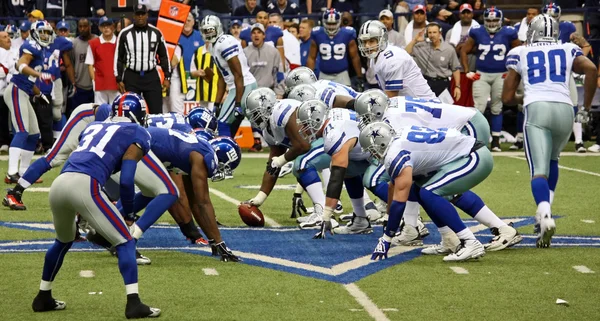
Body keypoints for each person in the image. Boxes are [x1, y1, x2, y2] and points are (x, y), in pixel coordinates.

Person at [31, 94, 161, 319]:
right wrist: (129, 214)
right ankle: (134, 304)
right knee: (125, 241)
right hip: (85, 185)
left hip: (60, 184)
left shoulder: (94, 127)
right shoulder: (138, 133)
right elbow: (128, 180)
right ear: (137, 114)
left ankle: (43, 296)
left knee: (62, 241)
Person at [353, 90, 522, 251]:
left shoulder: (392, 121)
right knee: (426, 183)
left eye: (366, 117)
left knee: (440, 187)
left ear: (376, 111)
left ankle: (495, 230)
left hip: (468, 126)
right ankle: (443, 235)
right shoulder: (393, 105)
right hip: (467, 123)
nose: (365, 122)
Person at [501, 14, 597, 248]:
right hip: (565, 109)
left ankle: (544, 215)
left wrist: (523, 97)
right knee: (553, 159)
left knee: (538, 171)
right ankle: (545, 209)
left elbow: (507, 97)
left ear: (531, 31)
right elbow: (592, 68)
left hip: (537, 108)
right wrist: (585, 107)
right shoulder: (567, 48)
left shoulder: (521, 52)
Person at [362, 122, 489, 262]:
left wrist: (386, 238)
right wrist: (388, 215)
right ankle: (449, 240)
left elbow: (399, 204)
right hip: (465, 152)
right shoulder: (398, 138)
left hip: (473, 156)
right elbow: (394, 187)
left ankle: (470, 241)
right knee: (419, 190)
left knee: (429, 193)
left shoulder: (394, 155)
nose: (372, 154)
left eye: (372, 150)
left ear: (381, 144)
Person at [143, 127, 241, 261]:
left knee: (155, 192)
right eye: (225, 166)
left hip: (146, 145)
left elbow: (194, 202)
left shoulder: (196, 153)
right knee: (168, 193)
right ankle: (129, 237)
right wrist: (220, 243)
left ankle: (123, 233)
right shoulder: (202, 156)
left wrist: (212, 239)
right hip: (141, 145)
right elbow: (203, 203)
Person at [3, 103, 110, 210]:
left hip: (100, 121)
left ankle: (105, 197)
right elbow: (103, 110)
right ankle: (15, 193)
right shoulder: (121, 109)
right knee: (53, 158)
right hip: (87, 117)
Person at [461, 7, 520, 152]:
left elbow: (519, 52)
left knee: (497, 108)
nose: (492, 23)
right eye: (489, 20)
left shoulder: (509, 32)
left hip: (501, 74)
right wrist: (467, 71)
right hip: (481, 74)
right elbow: (464, 50)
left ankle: (496, 141)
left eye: (495, 20)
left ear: (500, 21)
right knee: (478, 108)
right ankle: (477, 139)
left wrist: (512, 70)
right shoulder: (477, 31)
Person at [3, 20, 54, 184]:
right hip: (16, 90)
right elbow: (20, 65)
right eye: (42, 32)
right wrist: (40, 76)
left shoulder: (41, 50)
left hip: (25, 91)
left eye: (47, 32)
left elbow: (29, 81)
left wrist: (39, 95)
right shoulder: (31, 46)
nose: (45, 35)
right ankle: (12, 173)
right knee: (22, 131)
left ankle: (24, 172)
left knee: (33, 134)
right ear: (34, 33)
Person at [543, 3, 591, 153]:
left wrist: (577, 62)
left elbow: (586, 45)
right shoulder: (536, 29)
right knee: (547, 107)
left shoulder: (567, 28)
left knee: (573, 105)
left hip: (564, 73)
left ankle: (579, 141)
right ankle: (547, 140)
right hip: (545, 74)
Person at [200, 15, 257, 138]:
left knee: (222, 122)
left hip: (242, 86)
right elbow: (221, 77)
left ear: (218, 28)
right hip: (240, 85)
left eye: (211, 30)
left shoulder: (224, 42)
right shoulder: (213, 46)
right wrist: (216, 103)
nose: (209, 33)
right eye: (206, 30)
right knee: (258, 122)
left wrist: (237, 103)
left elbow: (238, 74)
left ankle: (224, 154)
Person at [114, 4, 171, 115]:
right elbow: (119, 58)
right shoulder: (125, 33)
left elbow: (164, 56)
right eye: (138, 14)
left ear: (147, 15)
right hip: (132, 76)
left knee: (156, 112)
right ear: (133, 16)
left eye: (142, 14)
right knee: (130, 111)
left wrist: (167, 76)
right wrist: (118, 78)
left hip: (151, 76)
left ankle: (155, 132)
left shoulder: (156, 33)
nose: (140, 17)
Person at [357, 20, 436, 99]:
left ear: (382, 39)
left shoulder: (391, 60)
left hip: (425, 105)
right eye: (364, 41)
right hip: (408, 103)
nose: (367, 46)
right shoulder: (376, 56)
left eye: (371, 41)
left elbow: (391, 98)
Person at [307, 9, 364, 88]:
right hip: (324, 75)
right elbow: (311, 57)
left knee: (346, 98)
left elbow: (354, 57)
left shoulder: (347, 33)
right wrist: (309, 77)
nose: (331, 27)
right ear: (323, 22)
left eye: (333, 24)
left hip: (342, 75)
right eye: (329, 24)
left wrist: (359, 76)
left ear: (339, 21)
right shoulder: (317, 34)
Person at [405, 23, 461, 99]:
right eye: (430, 32)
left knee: (444, 108)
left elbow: (455, 69)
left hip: (442, 83)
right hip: (426, 82)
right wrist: (415, 40)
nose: (432, 35)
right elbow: (405, 53)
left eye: (434, 32)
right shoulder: (422, 46)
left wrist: (457, 87)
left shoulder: (449, 49)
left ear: (440, 33)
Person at [244, 24, 284, 96]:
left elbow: (279, 74)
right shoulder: (244, 53)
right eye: (254, 33)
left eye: (259, 32)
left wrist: (279, 93)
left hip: (269, 92)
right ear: (251, 36)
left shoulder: (273, 51)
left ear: (264, 35)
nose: (256, 35)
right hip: (250, 93)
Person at [86, 17, 118, 105]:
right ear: (99, 28)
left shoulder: (119, 42)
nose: (106, 28)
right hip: (100, 84)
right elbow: (90, 64)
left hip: (116, 83)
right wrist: (95, 80)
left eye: (108, 25)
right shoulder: (93, 44)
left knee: (116, 112)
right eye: (103, 26)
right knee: (100, 111)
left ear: (113, 27)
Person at [69, 18, 97, 114]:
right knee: (79, 115)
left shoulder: (97, 40)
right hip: (80, 85)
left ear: (89, 27)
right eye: (80, 26)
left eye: (85, 26)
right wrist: (73, 83)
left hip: (95, 86)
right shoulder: (74, 43)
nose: (82, 29)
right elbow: (71, 64)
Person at [0, 31, 16, 154]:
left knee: (8, 119)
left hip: (6, 90)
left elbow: (5, 72)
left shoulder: (11, 52)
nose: (8, 39)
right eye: (5, 37)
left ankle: (8, 142)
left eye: (8, 36)